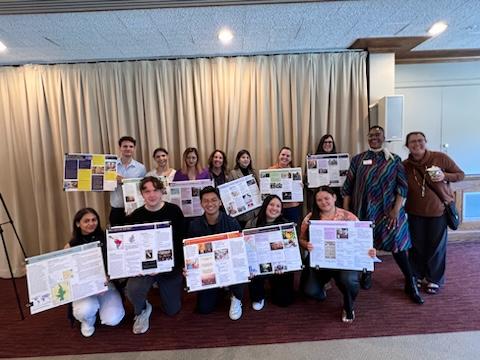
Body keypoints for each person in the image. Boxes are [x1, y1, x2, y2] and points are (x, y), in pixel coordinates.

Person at [342, 126, 424, 304]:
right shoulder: (358, 160)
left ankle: (410, 282)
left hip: (390, 211)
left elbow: (402, 187)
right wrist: (346, 213)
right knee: (365, 244)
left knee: (398, 245)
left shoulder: (395, 160)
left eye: (378, 134)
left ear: (384, 137)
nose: (374, 137)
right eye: (371, 135)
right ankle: (366, 273)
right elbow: (347, 188)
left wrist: (396, 210)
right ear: (367, 138)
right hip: (363, 211)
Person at [299, 186, 374, 322]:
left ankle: (348, 304)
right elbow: (301, 239)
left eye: (326, 198)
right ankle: (323, 287)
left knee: (349, 281)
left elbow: (363, 240)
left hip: (344, 261)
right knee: (310, 291)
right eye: (319, 200)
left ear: (334, 198)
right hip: (321, 261)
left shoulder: (348, 217)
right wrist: (306, 245)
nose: (323, 202)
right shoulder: (310, 218)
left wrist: (369, 250)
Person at [403, 131, 464, 294]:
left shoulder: (440, 158)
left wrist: (445, 175)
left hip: (438, 211)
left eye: (420, 140)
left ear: (426, 141)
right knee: (416, 246)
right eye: (412, 142)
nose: (417, 144)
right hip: (414, 212)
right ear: (407, 146)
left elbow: (460, 175)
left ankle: (433, 279)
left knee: (436, 247)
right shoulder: (405, 165)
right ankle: (416, 274)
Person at [125, 176, 185, 334]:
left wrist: (178, 265)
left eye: (155, 190)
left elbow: (182, 241)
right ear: (142, 194)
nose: (152, 195)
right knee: (132, 289)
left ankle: (165, 292)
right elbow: (131, 247)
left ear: (161, 192)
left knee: (172, 310)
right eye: (147, 191)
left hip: (170, 265)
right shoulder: (136, 216)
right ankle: (143, 309)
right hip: (145, 267)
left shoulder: (174, 211)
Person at [187, 186, 245, 320]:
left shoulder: (232, 222)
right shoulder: (194, 226)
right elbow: (191, 254)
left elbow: (239, 252)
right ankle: (220, 290)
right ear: (201, 203)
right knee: (204, 308)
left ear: (220, 202)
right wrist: (189, 266)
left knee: (239, 266)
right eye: (206, 201)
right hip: (208, 271)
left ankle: (236, 297)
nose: (210, 204)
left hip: (229, 268)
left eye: (214, 200)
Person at [66, 208, 125, 337]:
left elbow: (117, 261)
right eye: (86, 221)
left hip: (106, 285)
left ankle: (100, 308)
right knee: (85, 310)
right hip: (84, 287)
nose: (91, 223)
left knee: (113, 319)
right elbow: (65, 270)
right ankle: (88, 320)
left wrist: (110, 276)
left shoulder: (108, 238)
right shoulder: (71, 245)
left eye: (94, 220)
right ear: (78, 224)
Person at [245, 195, 294, 310]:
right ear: (265, 205)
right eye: (271, 204)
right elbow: (246, 248)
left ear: (281, 210)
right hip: (259, 263)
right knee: (253, 269)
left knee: (284, 301)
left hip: (279, 266)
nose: (274, 208)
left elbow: (291, 249)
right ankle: (258, 296)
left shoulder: (286, 225)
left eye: (278, 206)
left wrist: (286, 265)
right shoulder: (252, 223)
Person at [109, 136, 146, 226]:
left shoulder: (141, 168)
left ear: (134, 148)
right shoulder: (111, 166)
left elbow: (143, 188)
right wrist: (112, 181)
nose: (128, 149)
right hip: (117, 209)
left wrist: (124, 181)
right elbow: (105, 187)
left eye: (131, 146)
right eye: (125, 146)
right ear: (120, 148)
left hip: (135, 209)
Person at [269, 147, 302, 224]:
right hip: (276, 208)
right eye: (283, 154)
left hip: (292, 208)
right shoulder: (270, 170)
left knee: (292, 232)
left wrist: (300, 187)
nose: (285, 157)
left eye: (288, 156)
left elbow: (298, 193)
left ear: (291, 159)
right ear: (279, 156)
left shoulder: (295, 172)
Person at [309, 134, 343, 209]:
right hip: (319, 196)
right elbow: (308, 179)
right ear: (321, 144)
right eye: (325, 142)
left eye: (330, 142)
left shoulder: (339, 159)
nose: (327, 144)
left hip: (335, 195)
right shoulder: (313, 159)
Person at [229, 149, 259, 228]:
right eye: (243, 157)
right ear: (238, 160)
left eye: (247, 157)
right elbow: (230, 192)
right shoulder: (233, 173)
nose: (246, 159)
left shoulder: (253, 172)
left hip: (255, 210)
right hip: (243, 211)